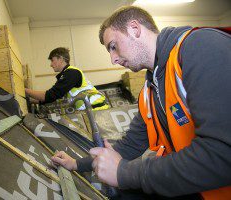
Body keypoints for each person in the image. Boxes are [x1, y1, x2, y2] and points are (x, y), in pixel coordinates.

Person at [51, 6, 231, 199]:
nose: (113, 59)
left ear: (135, 29)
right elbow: (130, 146)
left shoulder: (200, 47)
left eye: (113, 46)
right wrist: (77, 164)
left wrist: (125, 173)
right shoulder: (149, 90)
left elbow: (223, 154)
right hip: (195, 185)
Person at [25, 47, 109, 111]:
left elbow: (50, 95)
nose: (51, 64)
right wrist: (33, 101)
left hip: (97, 110)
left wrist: (25, 90)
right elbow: (56, 97)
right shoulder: (67, 74)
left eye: (52, 60)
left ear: (61, 59)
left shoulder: (71, 73)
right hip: (92, 110)